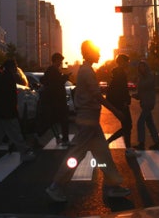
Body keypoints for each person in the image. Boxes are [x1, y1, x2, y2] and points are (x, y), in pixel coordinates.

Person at [45, 40, 130, 203]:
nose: (99, 54)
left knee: (103, 154)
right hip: (87, 119)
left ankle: (113, 185)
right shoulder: (86, 71)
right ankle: (56, 186)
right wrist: (116, 112)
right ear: (89, 53)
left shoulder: (87, 70)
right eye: (97, 51)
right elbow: (97, 96)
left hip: (90, 119)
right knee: (77, 154)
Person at [0, 59, 36, 162]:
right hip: (8, 111)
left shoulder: (4, 76)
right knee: (16, 133)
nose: (16, 68)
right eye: (15, 66)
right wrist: (13, 110)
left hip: (3, 111)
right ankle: (24, 152)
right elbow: (9, 97)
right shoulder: (8, 77)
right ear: (11, 67)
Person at [105, 54, 135, 157]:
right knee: (128, 125)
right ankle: (108, 142)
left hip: (120, 103)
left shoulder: (118, 73)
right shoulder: (120, 74)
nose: (128, 63)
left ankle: (128, 148)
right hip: (121, 104)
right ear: (121, 62)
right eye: (127, 61)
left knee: (126, 126)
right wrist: (124, 102)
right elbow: (121, 90)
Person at [40, 52, 71, 146]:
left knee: (53, 120)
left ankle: (61, 138)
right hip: (56, 100)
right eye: (60, 60)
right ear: (56, 60)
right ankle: (64, 139)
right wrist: (64, 78)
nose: (61, 62)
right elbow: (56, 84)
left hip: (56, 100)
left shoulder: (53, 70)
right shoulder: (52, 70)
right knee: (61, 119)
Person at [133, 61, 159, 150]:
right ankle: (157, 142)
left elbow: (147, 86)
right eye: (140, 67)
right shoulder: (141, 78)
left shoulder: (150, 76)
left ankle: (141, 143)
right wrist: (135, 95)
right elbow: (141, 92)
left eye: (143, 66)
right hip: (144, 103)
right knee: (150, 123)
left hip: (148, 103)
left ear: (146, 67)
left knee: (140, 122)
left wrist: (139, 82)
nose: (141, 68)